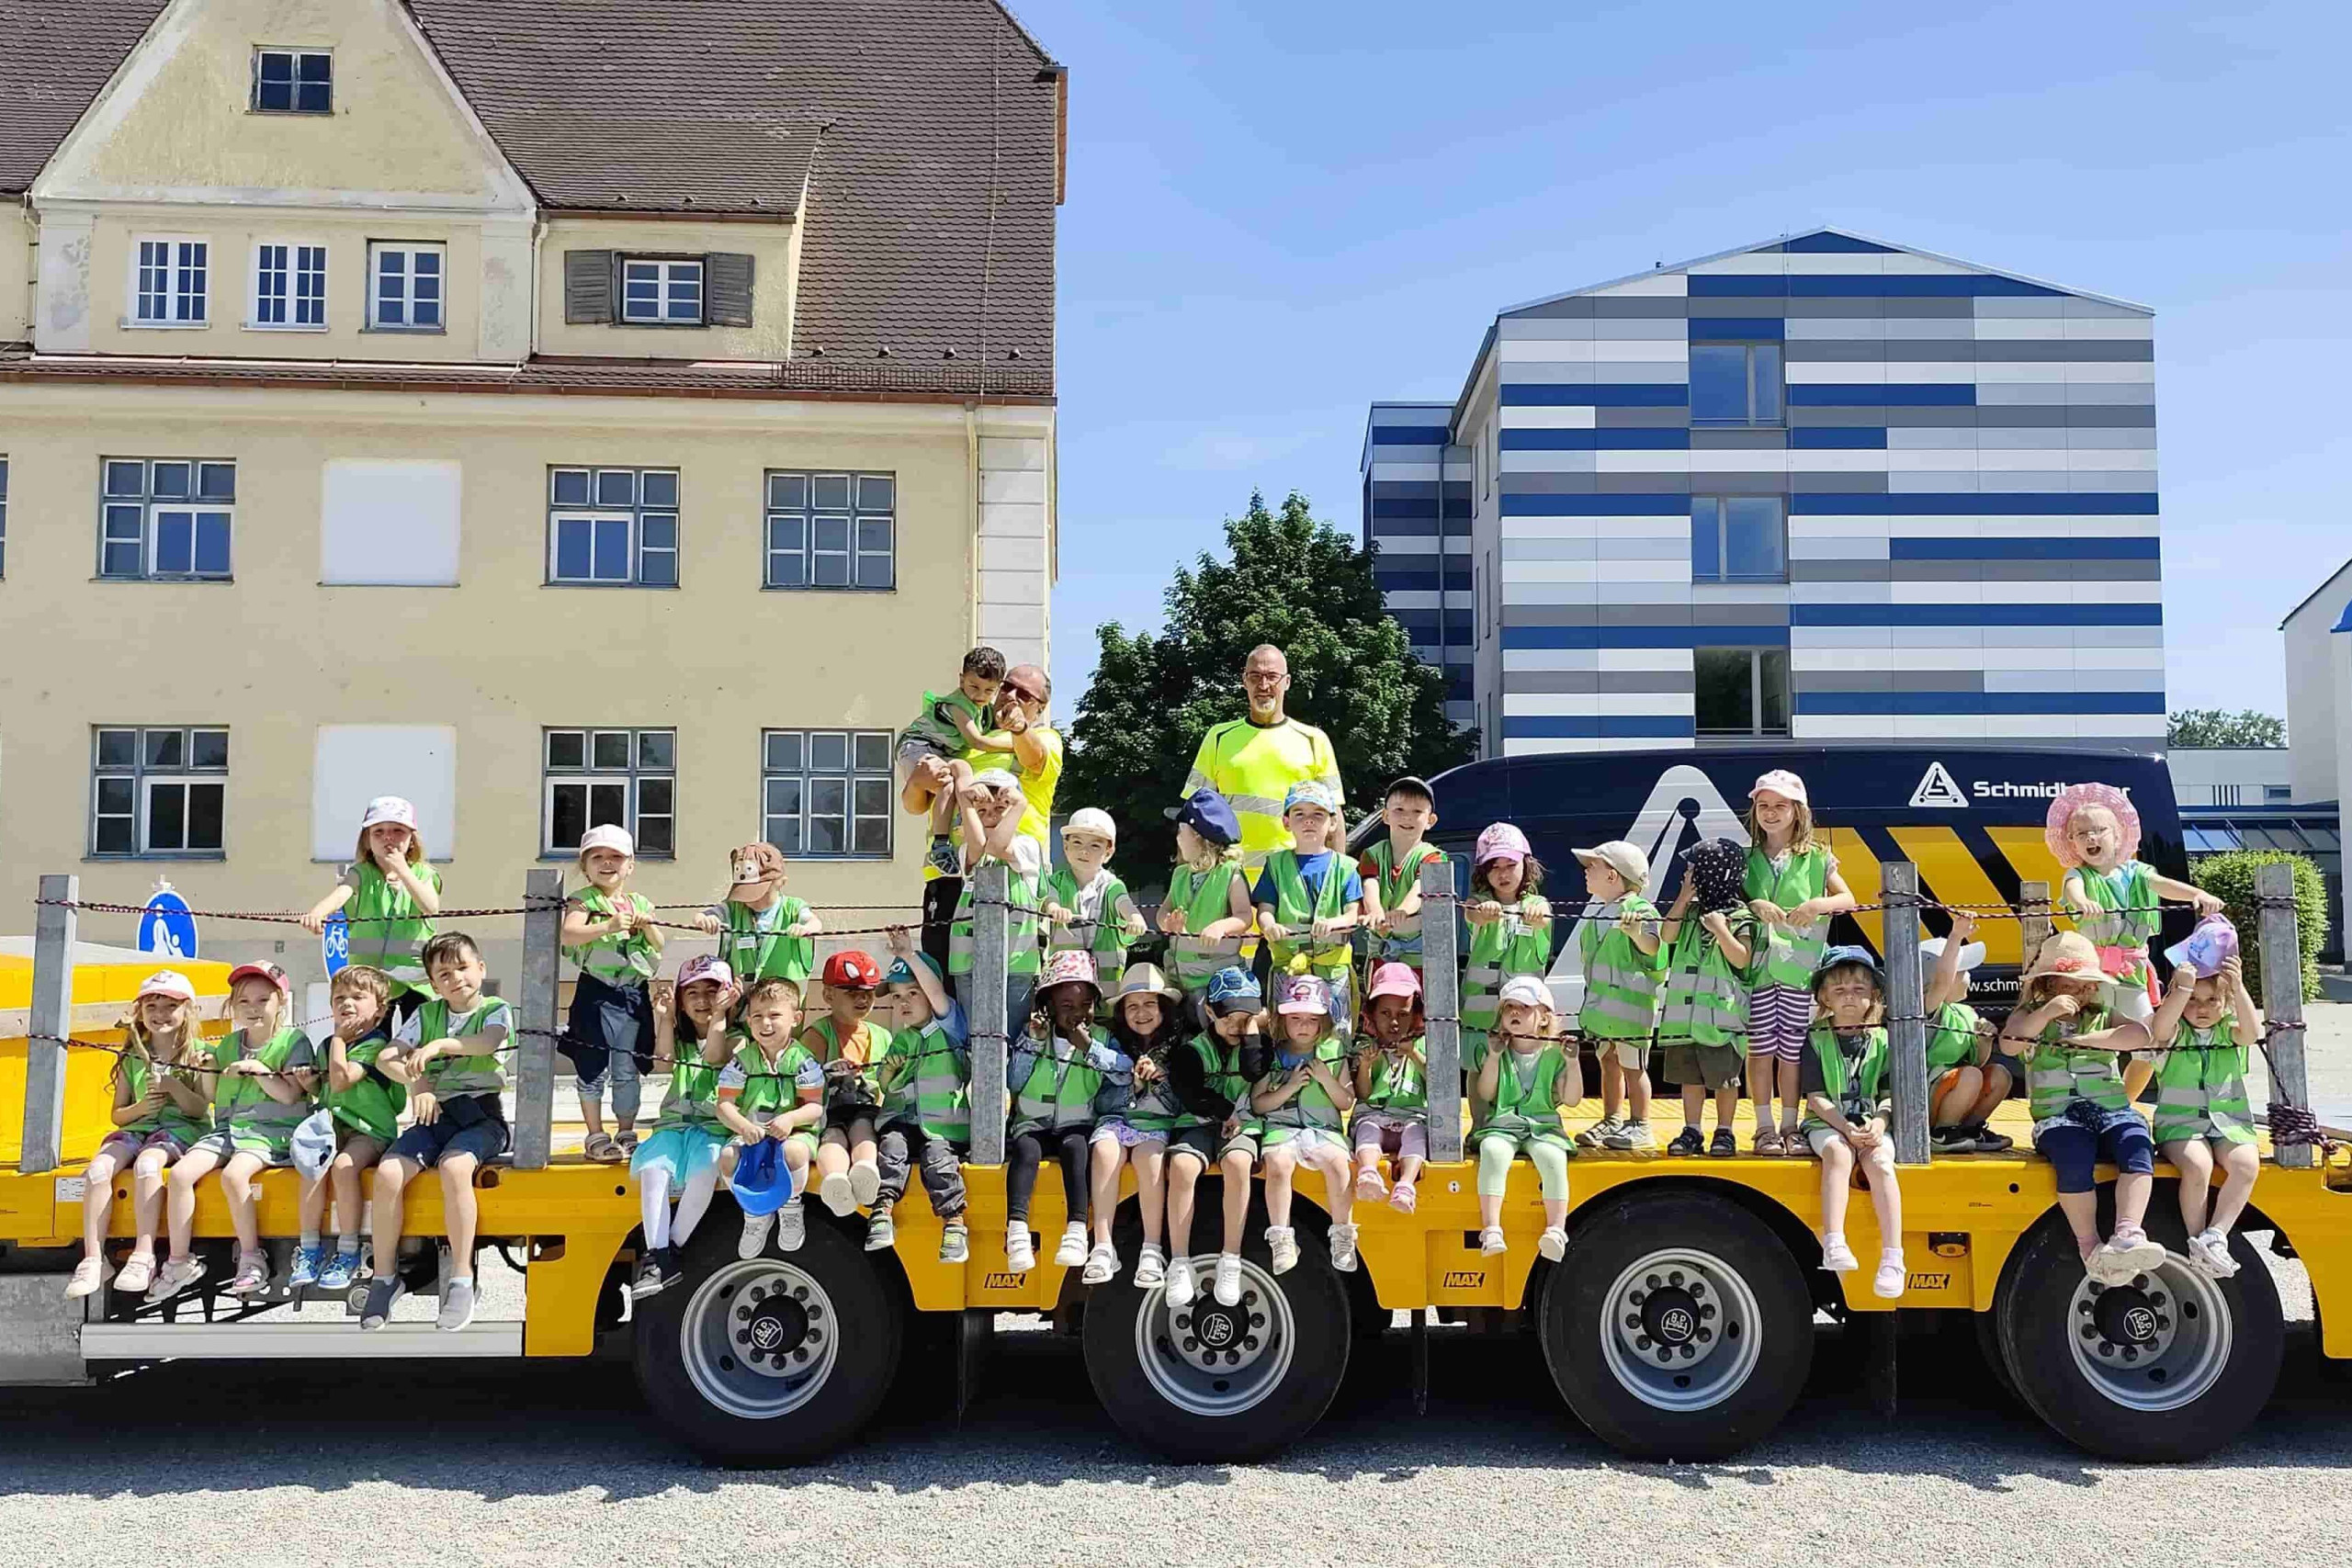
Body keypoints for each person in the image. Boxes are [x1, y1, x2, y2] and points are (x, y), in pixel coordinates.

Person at [361, 934, 511, 1331]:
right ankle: (385, 1276)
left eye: (462, 967)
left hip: (481, 1116)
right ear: (432, 982)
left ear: (480, 968)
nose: (455, 978)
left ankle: (462, 1277)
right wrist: (419, 1084)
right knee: (389, 1172)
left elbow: (488, 1043)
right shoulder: (425, 1014)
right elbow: (387, 1056)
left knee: (456, 1168)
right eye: (444, 973)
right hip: (434, 1115)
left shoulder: (496, 1008)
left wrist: (441, 1044)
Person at [2001, 931, 2167, 1282]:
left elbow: (2140, 1035)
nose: (2083, 992)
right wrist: (2045, 1014)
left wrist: (2087, 1039)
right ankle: (2089, 1246)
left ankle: (2128, 1233)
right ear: (2047, 984)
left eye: (2088, 985)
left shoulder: (2101, 1014)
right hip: (2058, 1116)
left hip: (2110, 1108)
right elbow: (2011, 1046)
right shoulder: (2030, 1015)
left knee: (2137, 1143)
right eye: (2074, 985)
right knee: (2073, 1157)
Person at [146, 963, 314, 1303]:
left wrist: (259, 1071)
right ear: (233, 1006)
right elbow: (211, 1096)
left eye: (262, 1000)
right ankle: (179, 1261)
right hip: (229, 1130)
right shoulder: (226, 1046)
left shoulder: (293, 1041)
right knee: (179, 1175)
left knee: (234, 1175)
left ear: (280, 1002)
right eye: (243, 1002)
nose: (253, 1009)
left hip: (272, 1131)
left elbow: (291, 1095)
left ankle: (252, 1257)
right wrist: (208, 1068)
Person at [65, 969, 210, 1299]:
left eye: (169, 1006)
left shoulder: (198, 1053)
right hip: (138, 1127)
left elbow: (200, 1109)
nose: (160, 1015)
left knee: (148, 1165)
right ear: (140, 1013)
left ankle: (143, 1254)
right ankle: (93, 1258)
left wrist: (173, 1086)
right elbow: (118, 1115)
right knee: (98, 1169)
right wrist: (143, 1106)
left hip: (177, 1130)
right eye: (152, 1007)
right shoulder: (132, 1055)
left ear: (187, 1010)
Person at [910, 663, 1063, 970]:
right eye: (1007, 686)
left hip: (1011, 875)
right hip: (950, 877)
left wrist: (1019, 728)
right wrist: (917, 780)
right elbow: (915, 805)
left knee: (1011, 980)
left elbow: (1035, 758)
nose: (1012, 696)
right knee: (946, 983)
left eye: (1025, 695)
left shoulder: (1044, 737)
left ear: (1040, 708)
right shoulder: (960, 741)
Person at [1739, 770, 1858, 1156]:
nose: (1770, 813)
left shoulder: (1819, 857)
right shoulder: (1745, 858)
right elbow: (1732, 905)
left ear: (1798, 811)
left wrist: (1817, 904)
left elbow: (1847, 900)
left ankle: (1790, 1124)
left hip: (1798, 970)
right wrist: (1753, 905)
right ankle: (1763, 1127)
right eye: (1763, 805)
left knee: (1791, 1050)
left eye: (1779, 806)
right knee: (1758, 1048)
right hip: (1756, 970)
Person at [2048, 781, 2222, 1027]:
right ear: (2073, 842)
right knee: (2097, 1025)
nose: (2091, 838)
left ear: (2118, 836)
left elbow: (2162, 884)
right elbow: (2072, 890)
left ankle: (2142, 1063)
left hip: (2133, 968)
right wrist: (2083, 901)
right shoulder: (2079, 874)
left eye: (2099, 830)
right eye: (2081, 834)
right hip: (2093, 972)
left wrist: (2198, 894)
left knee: (2144, 1031)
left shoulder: (2138, 871)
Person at [1003, 951, 1132, 1274]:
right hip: (1033, 1124)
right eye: (1067, 1007)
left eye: (1085, 1005)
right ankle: (1016, 1229)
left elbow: (1123, 1072)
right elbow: (1013, 1079)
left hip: (1077, 1124)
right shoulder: (1034, 1035)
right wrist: (1033, 1042)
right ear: (1047, 1006)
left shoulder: (1100, 1039)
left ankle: (1076, 1230)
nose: (1078, 1014)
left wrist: (1089, 1047)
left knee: (1077, 1150)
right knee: (1025, 1150)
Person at [1800, 947, 1906, 1300]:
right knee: (1838, 1155)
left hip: (1872, 1122)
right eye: (1840, 991)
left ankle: (1893, 1258)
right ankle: (1834, 1242)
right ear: (1824, 997)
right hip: (1827, 1122)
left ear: (1873, 995)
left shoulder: (1883, 1038)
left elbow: (1890, 1091)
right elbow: (1815, 1096)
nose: (1850, 998)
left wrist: (1880, 1121)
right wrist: (1844, 1127)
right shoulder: (1815, 1037)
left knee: (1880, 1163)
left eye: (1860, 990)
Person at [629, 955, 740, 1297]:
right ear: (680, 1000)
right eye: (692, 992)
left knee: (705, 1171)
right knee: (653, 1170)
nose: (704, 1000)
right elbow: (663, 1065)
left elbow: (715, 1058)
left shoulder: (737, 1038)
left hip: (712, 1127)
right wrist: (663, 1019)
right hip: (674, 1125)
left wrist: (720, 1017)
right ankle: (658, 1252)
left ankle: (668, 1251)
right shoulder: (681, 1040)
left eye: (713, 990)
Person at [2148, 953, 2264, 1277]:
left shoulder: (2229, 1030)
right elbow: (2159, 1025)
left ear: (2224, 1002)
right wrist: (2180, 989)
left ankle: (2216, 1236)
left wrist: (2238, 987)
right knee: (2199, 1166)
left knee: (2245, 1165)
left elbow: (2252, 1032)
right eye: (2193, 1000)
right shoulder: (2174, 1034)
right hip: (2181, 1125)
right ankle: (2196, 1238)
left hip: (2229, 1123)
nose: (2201, 1008)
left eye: (2212, 1000)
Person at [1182, 644, 1345, 872]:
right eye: (1255, 676)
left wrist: (1338, 881)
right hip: (1228, 877)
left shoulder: (1314, 740)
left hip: (1292, 879)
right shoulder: (1218, 737)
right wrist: (1185, 883)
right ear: (1244, 681)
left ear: (1286, 682)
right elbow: (1191, 818)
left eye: (1272, 677)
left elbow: (1334, 821)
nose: (1264, 685)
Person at [296, 964, 405, 1292]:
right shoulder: (328, 1045)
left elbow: (342, 1080)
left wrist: (341, 1040)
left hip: (369, 1130)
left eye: (358, 997)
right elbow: (328, 1090)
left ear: (379, 1010)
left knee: (343, 1168)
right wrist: (310, 1084)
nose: (347, 1003)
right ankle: (309, 1246)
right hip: (334, 1126)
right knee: (310, 1166)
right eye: (339, 998)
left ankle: (348, 1249)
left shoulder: (377, 1045)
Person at [560, 824, 664, 1163]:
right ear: (585, 865)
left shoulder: (640, 902)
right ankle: (594, 1134)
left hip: (632, 994)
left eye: (616, 857)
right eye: (598, 857)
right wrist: (606, 926)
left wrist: (646, 925)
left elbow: (660, 944)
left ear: (630, 864)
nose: (607, 863)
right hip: (596, 992)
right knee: (591, 1065)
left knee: (626, 1067)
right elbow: (570, 934)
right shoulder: (583, 899)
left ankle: (626, 1131)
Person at [1165, 966, 1267, 1308]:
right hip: (1199, 1120)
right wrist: (1224, 1110)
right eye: (1230, 1019)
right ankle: (1179, 1261)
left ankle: (1231, 1258)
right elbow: (1190, 1094)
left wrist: (1252, 1034)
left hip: (1241, 1126)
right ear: (1210, 1012)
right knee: (1181, 1166)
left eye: (1247, 1018)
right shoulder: (1190, 1050)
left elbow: (1255, 1071)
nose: (1238, 1027)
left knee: (1239, 1162)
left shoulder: (1255, 1043)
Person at [1247, 974, 1359, 1275]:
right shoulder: (1271, 1054)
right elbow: (1259, 1103)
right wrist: (1290, 1087)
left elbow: (1346, 1101)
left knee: (1338, 1164)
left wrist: (1325, 1078)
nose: (1304, 1025)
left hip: (1324, 1130)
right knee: (1278, 1164)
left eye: (1312, 1019)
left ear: (1324, 1021)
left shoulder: (1334, 1053)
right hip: (1282, 1128)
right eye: (1295, 1017)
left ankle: (1343, 1234)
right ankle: (1281, 1237)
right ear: (1283, 1021)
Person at [871, 930, 971, 1263]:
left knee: (938, 1160)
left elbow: (939, 998)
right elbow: (885, 1084)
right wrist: (888, 1072)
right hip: (904, 1121)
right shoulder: (901, 1039)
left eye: (912, 993)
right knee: (891, 1148)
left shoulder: (950, 1027)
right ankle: (882, 1208)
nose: (903, 1003)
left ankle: (954, 1222)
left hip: (944, 1128)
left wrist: (909, 955)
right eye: (897, 997)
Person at [300, 795, 443, 1021]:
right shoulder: (361, 874)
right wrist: (318, 912)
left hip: (415, 985)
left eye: (398, 831)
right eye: (378, 831)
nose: (388, 837)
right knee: (370, 1042)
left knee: (414, 1043)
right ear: (366, 840)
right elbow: (342, 893)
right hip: (369, 983)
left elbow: (430, 907)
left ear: (412, 840)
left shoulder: (424, 874)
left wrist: (403, 870)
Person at [1089, 964, 1188, 1285]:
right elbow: (1101, 1100)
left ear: (1164, 1008)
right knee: (1104, 1151)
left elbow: (1178, 1104)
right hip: (1117, 1120)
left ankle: (1151, 1248)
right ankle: (1103, 1245)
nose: (1141, 1013)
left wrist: (1159, 1080)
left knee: (1151, 1160)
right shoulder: (1114, 1044)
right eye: (1132, 1006)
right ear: (1121, 1013)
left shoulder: (1179, 1047)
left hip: (1156, 1123)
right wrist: (1129, 1082)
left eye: (1149, 1004)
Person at [1252, 781, 1377, 1037]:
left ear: (1332, 823)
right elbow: (1265, 909)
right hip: (1289, 970)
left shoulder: (1346, 867)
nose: (1309, 821)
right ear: (1287, 822)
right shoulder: (1275, 866)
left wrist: (1333, 923)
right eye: (1300, 814)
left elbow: (1353, 914)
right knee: (1286, 1036)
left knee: (1336, 1037)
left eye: (1317, 815)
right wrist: (1269, 925)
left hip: (1333, 969)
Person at [1658, 840, 1756, 1158]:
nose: (1687, 874)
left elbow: (1741, 958)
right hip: (1685, 1019)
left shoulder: (1741, 915)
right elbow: (1667, 936)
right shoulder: (1691, 912)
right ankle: (1692, 1129)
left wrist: (1721, 931)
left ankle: (1725, 1130)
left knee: (1725, 1079)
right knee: (1690, 1077)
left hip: (1720, 1018)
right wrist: (1683, 899)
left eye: (1693, 870)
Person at [1468, 976, 1574, 1261]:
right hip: (1503, 1125)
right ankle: (1491, 1228)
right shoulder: (1496, 1051)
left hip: (1543, 1126)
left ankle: (1555, 1229)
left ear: (1543, 1018)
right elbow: (1486, 1093)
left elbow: (1573, 1099)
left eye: (1524, 1007)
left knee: (1553, 1158)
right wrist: (1493, 1057)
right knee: (1493, 1151)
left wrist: (1573, 1062)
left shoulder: (1554, 1055)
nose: (1514, 1012)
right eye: (1508, 1007)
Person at [719, 976, 826, 1258]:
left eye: (775, 1015)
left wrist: (791, 1119)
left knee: (793, 1153)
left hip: (795, 1131)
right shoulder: (743, 1060)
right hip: (752, 1131)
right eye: (757, 1016)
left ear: (796, 1018)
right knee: (728, 1157)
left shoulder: (803, 1060)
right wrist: (742, 1126)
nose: (765, 1023)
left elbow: (815, 1107)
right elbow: (724, 1105)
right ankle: (755, 1212)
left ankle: (790, 1206)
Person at [1571, 840, 1665, 1153]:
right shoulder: (1599, 911)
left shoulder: (1640, 910)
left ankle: (1641, 1124)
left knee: (1634, 1067)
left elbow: (1654, 947)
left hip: (1630, 1014)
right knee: (1608, 1062)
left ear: (1613, 876)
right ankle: (1612, 1119)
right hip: (1603, 1014)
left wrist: (1637, 934)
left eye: (1592, 867)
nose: (1585, 873)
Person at [945, 769, 1046, 1040]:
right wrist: (965, 802)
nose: (990, 815)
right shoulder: (967, 849)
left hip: (1018, 961)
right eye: (983, 811)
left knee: (1011, 1034)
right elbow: (980, 846)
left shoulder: (1028, 845)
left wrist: (1020, 805)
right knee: (975, 1034)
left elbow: (998, 847)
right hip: (969, 958)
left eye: (1000, 808)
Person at [897, 644, 1009, 872]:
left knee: (958, 774)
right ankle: (940, 846)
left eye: (989, 691)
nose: (980, 695)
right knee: (946, 782)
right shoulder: (957, 705)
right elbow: (976, 741)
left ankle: (950, 833)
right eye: (974, 687)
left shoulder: (982, 709)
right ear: (961, 680)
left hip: (940, 751)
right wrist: (1013, 746)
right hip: (918, 745)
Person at [801, 950, 892, 1217]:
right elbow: (803, 1080)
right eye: (852, 991)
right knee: (832, 1138)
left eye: (869, 991)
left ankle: (865, 1171)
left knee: (864, 1129)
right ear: (829, 995)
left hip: (866, 1112)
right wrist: (830, 1072)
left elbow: (887, 1086)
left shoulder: (883, 1036)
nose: (863, 998)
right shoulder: (818, 1035)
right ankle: (835, 1181)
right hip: (828, 1112)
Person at [1923, 913, 2014, 1154]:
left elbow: (1977, 1061)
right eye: (1962, 971)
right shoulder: (1927, 1008)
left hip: (1956, 1087)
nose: (1970, 976)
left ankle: (1970, 1128)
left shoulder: (1966, 1012)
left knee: (1999, 1074)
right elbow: (1941, 983)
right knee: (1972, 1076)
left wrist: (1984, 1041)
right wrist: (1955, 937)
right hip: (1926, 1096)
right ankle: (1942, 1132)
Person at [1462, 823, 1552, 1058]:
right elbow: (1472, 913)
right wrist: (1484, 911)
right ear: (1483, 872)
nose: (1503, 874)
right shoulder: (1476, 901)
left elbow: (1544, 918)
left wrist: (1537, 917)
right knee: (1477, 1064)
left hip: (1523, 1012)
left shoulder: (1537, 903)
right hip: (1482, 1009)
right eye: (1494, 867)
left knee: (1519, 1061)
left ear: (1526, 864)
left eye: (1511, 865)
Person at [1043, 807, 1147, 1005]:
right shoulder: (1055, 881)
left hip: (1106, 983)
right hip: (1066, 983)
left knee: (1104, 1019)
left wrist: (1134, 919)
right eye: (1077, 843)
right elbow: (1050, 899)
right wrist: (1055, 909)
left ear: (1109, 852)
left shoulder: (1112, 885)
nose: (1084, 851)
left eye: (1095, 846)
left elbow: (1123, 903)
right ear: (1065, 847)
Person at [1158, 787, 1254, 999]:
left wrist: (1221, 926)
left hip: (1218, 981)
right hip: (1180, 976)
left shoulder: (1230, 873)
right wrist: (1167, 923)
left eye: (1180, 832)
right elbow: (1164, 909)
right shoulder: (1180, 874)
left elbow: (1244, 916)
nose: (1177, 839)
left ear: (1199, 838)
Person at [1350, 962, 1429, 1213]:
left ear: (1415, 1015)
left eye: (1403, 1014)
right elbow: (1362, 1094)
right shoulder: (1366, 1046)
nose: (1394, 1022)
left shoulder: (1425, 1044)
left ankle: (1406, 1186)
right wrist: (1365, 1066)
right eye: (1385, 1013)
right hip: (1373, 1115)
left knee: (1416, 1135)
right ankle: (1368, 1173)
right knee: (1368, 1130)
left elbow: (1437, 1083)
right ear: (1372, 1014)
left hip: (1412, 1116)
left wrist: (1414, 1054)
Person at [693, 841, 820, 996]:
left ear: (781, 883)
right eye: (745, 894)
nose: (752, 900)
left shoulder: (794, 907)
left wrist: (805, 929)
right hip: (741, 1009)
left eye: (760, 893)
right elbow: (706, 915)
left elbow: (814, 922)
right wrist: (703, 919)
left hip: (783, 1010)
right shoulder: (735, 908)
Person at [1363, 776, 1444, 974]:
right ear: (1386, 816)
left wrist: (1403, 911)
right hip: (1381, 950)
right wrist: (1374, 911)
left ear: (1430, 820)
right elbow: (1370, 884)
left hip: (1419, 956)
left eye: (1417, 811)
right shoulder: (1371, 854)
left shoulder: (1434, 857)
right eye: (1399, 810)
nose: (1407, 817)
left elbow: (1421, 887)